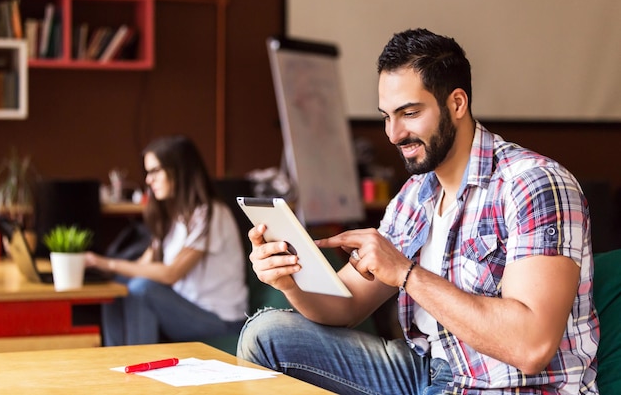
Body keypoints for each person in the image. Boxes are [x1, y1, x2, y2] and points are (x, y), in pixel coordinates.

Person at [236, 29, 599, 394]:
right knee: (266, 335)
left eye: (409, 113)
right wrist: (289, 281)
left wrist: (406, 273)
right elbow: (345, 307)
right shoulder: (416, 194)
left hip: (500, 385)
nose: (393, 134)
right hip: (423, 371)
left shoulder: (535, 184)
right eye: (386, 116)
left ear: (457, 104)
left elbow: (531, 346)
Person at [86, 135, 248, 346]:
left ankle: (139, 370)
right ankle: (116, 360)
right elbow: (141, 267)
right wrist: (98, 269)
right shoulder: (172, 218)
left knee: (142, 289)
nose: (148, 180)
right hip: (183, 308)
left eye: (155, 171)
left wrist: (108, 262)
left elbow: (171, 274)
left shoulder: (212, 214)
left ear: (179, 172)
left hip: (220, 319)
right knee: (116, 288)